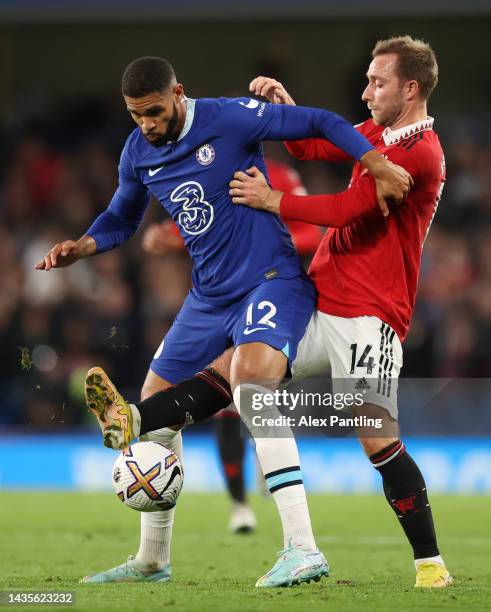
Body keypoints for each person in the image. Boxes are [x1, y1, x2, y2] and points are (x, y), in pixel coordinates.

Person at [87, 36, 453, 589]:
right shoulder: (376, 134)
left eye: (377, 82)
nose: (365, 90)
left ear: (411, 87)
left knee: (375, 437)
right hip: (323, 298)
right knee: (243, 371)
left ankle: (430, 563)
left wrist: (274, 201)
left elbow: (351, 208)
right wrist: (284, 105)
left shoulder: (419, 152)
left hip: (371, 314)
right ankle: (143, 426)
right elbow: (309, 148)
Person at [141, 160, 321, 534]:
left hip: (268, 295)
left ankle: (291, 520)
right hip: (218, 300)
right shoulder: (205, 174)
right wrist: (171, 236)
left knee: (250, 393)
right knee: (226, 405)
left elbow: (313, 235)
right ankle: (238, 504)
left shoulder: (279, 175)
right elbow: (198, 226)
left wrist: (273, 230)